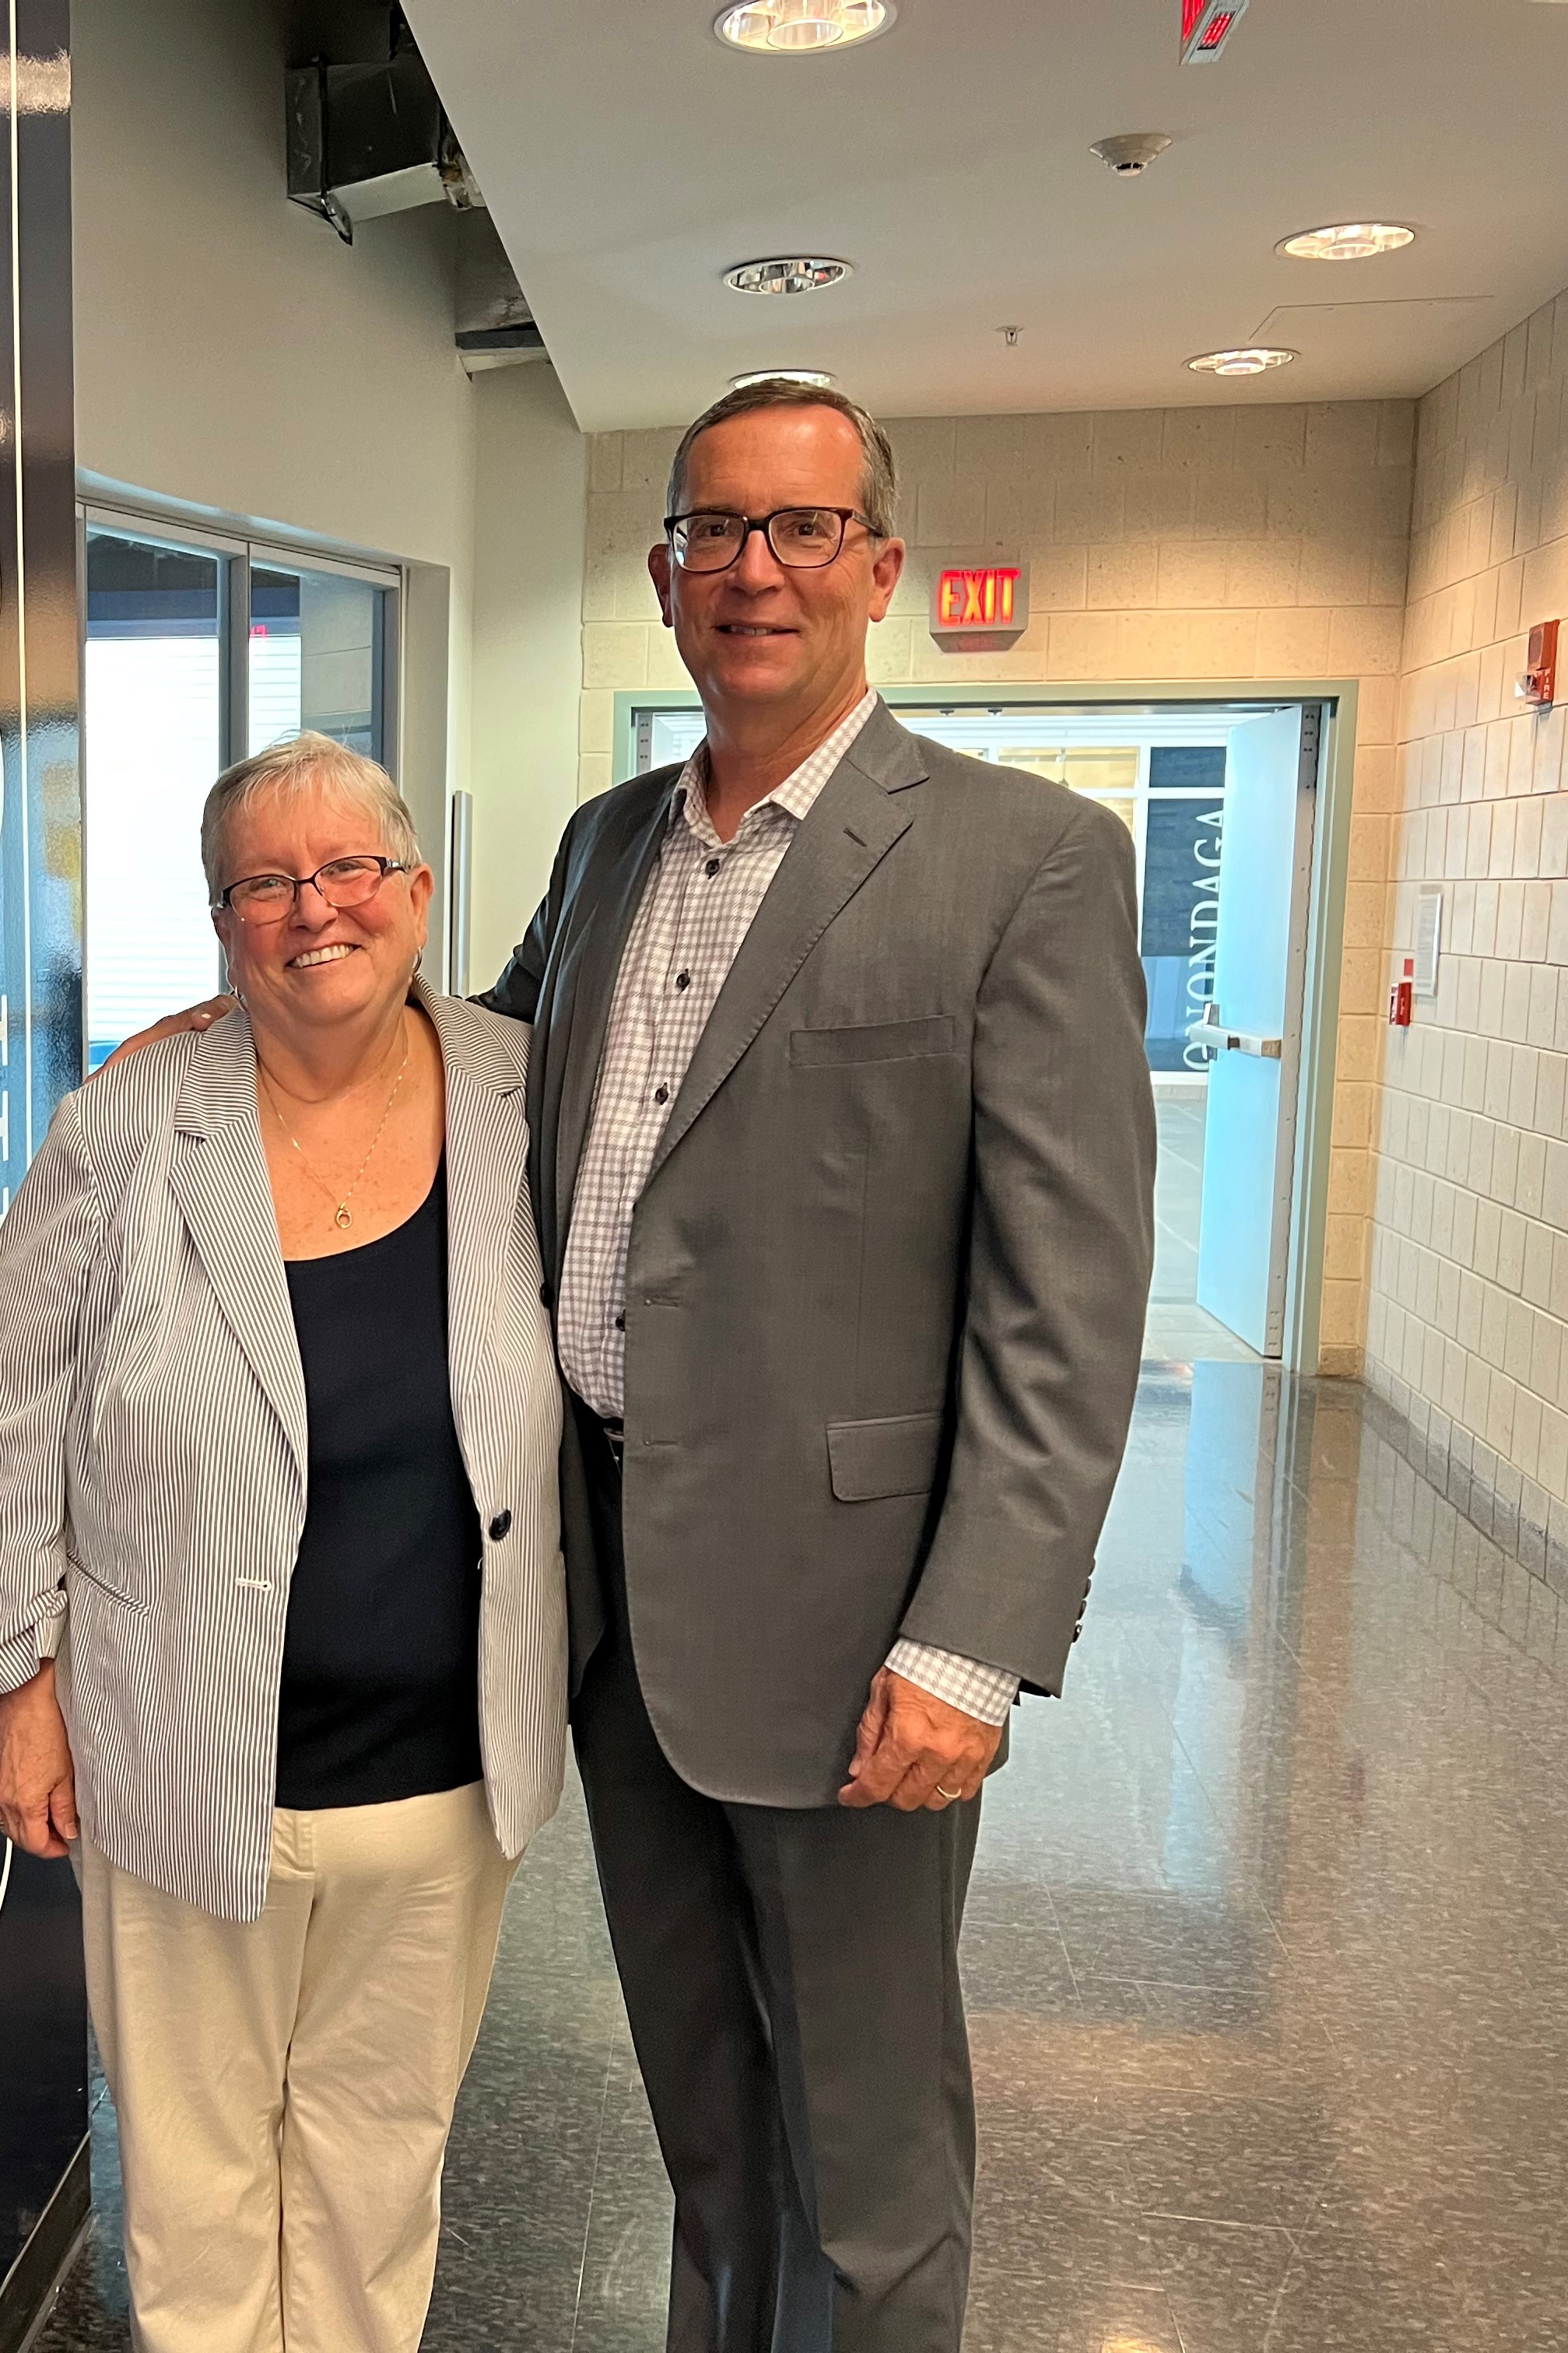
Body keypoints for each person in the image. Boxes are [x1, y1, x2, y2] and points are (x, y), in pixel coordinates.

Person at [487, 380, 1155, 2348]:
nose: (753, 569)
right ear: (664, 572)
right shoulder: (610, 843)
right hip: (616, 1601)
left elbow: (1068, 1295)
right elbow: (487, 1078)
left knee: (870, 2150)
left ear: (881, 566)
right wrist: (263, 1001)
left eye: (801, 530)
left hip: (858, 1631)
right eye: (716, 531)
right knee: (704, 2114)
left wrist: (974, 1640)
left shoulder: (1024, 860)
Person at [0, 731, 569, 2353]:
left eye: (349, 869)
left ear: (417, 892)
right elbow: (8, 1405)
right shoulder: (130, 1120)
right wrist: (21, 1679)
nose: (316, 911)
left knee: (380, 2170)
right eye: (267, 885)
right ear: (227, 923)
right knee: (200, 2183)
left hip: (444, 1775)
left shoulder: (520, 1091)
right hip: (180, 1754)